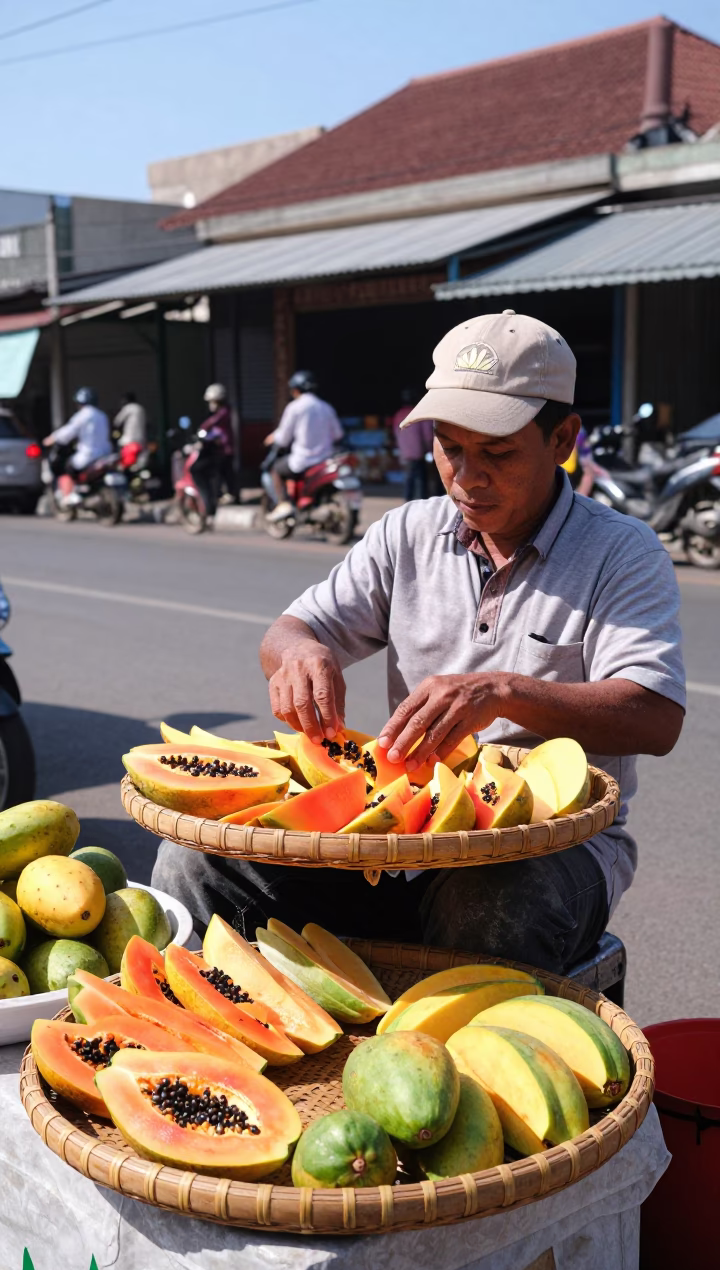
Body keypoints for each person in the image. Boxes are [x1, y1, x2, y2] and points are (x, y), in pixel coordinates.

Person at [152, 311, 685, 975]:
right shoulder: (406, 533)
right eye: (449, 448)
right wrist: (300, 654)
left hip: (552, 852)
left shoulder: (621, 552)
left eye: (497, 452)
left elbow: (655, 717)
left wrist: (504, 692)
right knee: (197, 861)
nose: (466, 476)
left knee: (484, 901)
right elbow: (288, 632)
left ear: (563, 439)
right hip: (397, 836)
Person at [263, 371, 344, 522]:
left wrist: (272, 438)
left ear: (295, 390)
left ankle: (283, 503)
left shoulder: (295, 407)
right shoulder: (326, 407)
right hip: (325, 459)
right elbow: (338, 434)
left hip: (303, 459)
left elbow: (284, 438)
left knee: (276, 470)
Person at [43, 388, 111, 488]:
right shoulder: (102, 415)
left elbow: (67, 433)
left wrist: (52, 438)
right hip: (105, 454)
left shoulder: (83, 415)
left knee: (67, 467)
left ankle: (69, 496)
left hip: (88, 455)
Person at [392, 389, 434, 501]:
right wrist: (430, 448)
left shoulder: (398, 414)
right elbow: (428, 435)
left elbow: (396, 434)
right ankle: (422, 501)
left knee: (409, 478)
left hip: (405, 453)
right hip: (419, 452)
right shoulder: (419, 413)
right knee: (421, 479)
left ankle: (408, 501)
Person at [114, 392, 147, 469]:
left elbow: (117, 422)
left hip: (129, 441)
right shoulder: (141, 408)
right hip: (141, 441)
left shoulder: (128, 408)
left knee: (121, 464)